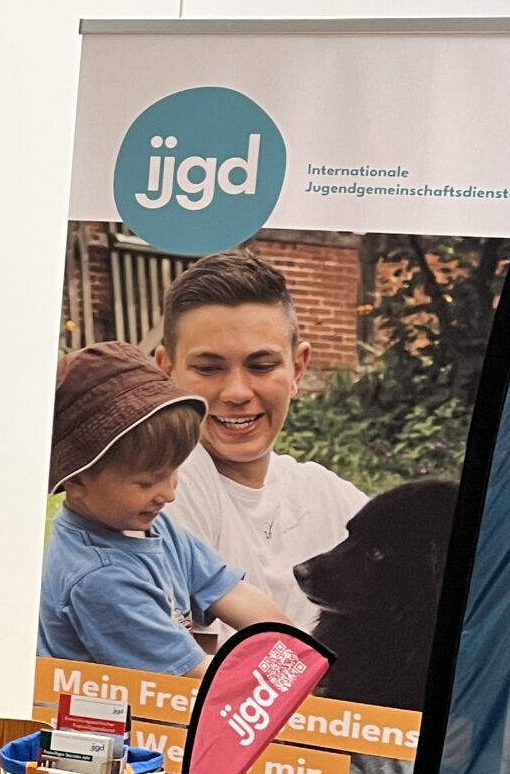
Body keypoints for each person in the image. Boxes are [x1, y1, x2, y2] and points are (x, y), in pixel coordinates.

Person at [152, 249, 367, 632]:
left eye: (261, 366)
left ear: (297, 369)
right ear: (166, 371)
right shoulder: (161, 487)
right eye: (209, 368)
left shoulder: (332, 498)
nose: (237, 392)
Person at [38, 341, 283, 674]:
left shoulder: (149, 526)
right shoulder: (98, 577)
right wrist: (280, 680)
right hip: (127, 706)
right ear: (77, 480)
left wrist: (297, 652)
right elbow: (194, 677)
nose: (168, 494)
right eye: (147, 482)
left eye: (173, 471)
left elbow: (234, 594)